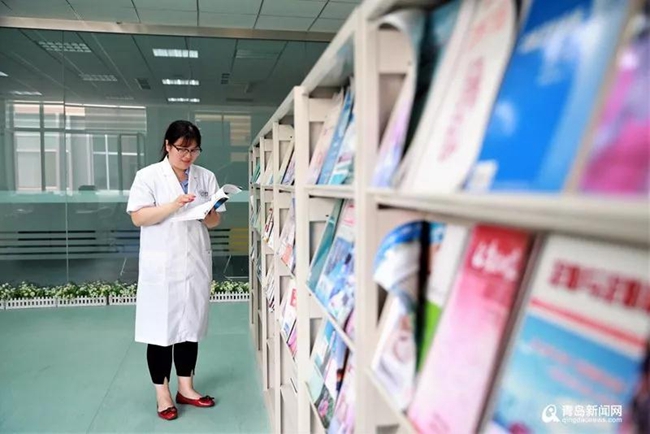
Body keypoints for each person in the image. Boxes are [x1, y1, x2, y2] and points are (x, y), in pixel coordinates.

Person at [126, 120, 222, 421]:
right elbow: (138, 218)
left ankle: (186, 389)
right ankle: (163, 394)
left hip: (194, 263)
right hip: (162, 265)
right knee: (159, 330)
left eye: (193, 150)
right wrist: (174, 205)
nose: (188, 156)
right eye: (182, 148)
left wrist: (207, 213)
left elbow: (215, 222)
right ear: (167, 146)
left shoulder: (206, 177)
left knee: (190, 327)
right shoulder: (148, 176)